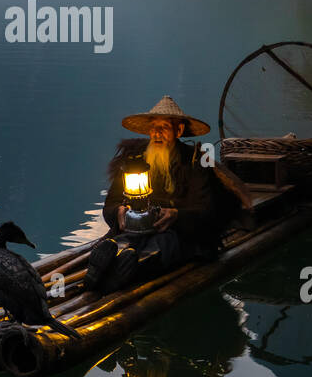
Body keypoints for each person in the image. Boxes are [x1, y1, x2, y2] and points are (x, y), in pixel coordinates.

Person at [84, 94, 250, 294]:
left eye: (163, 128)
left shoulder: (195, 161)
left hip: (177, 233)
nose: (156, 134)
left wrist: (176, 215)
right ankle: (102, 268)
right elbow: (111, 202)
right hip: (136, 229)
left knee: (159, 247)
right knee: (120, 242)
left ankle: (125, 271)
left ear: (178, 130)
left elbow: (207, 211)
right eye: (153, 128)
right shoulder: (135, 159)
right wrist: (118, 212)